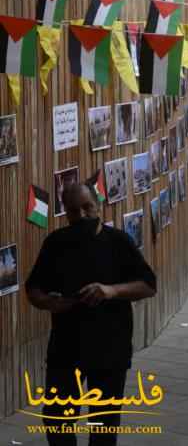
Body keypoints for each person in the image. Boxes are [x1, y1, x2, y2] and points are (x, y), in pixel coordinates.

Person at [25, 183, 157, 446]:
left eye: (88, 208)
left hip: (110, 348)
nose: (83, 216)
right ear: (66, 213)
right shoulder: (55, 243)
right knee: (56, 420)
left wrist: (110, 291)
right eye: (75, 211)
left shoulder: (119, 241)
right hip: (66, 347)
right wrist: (49, 303)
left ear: (99, 206)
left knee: (102, 426)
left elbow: (148, 285)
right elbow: (33, 289)